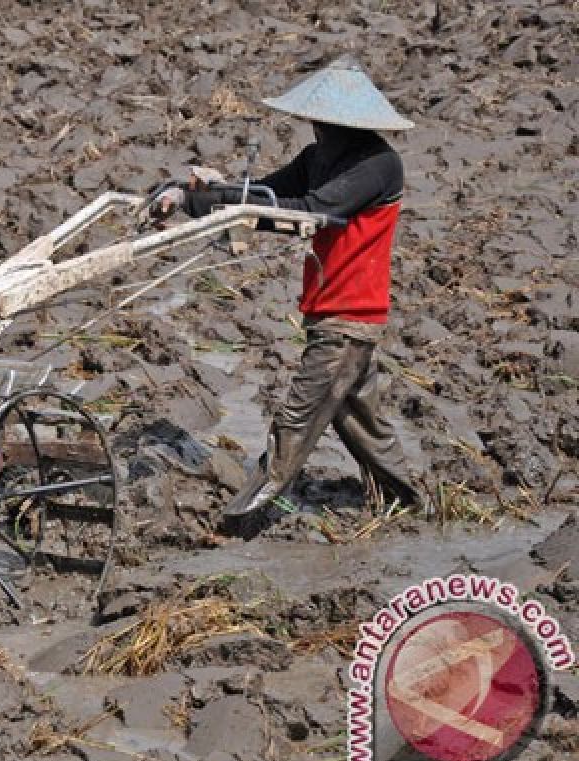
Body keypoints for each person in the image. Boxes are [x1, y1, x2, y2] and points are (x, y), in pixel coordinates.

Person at [149, 55, 422, 526]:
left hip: (349, 316)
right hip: (331, 311)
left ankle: (240, 522)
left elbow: (310, 211)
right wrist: (193, 196)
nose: (317, 129)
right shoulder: (318, 159)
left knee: (295, 422)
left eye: (324, 121)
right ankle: (411, 508)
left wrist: (229, 203)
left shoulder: (379, 165)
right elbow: (264, 192)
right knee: (360, 422)